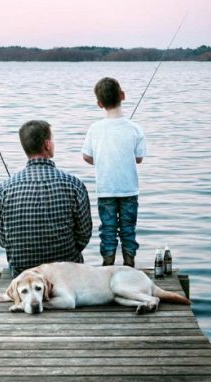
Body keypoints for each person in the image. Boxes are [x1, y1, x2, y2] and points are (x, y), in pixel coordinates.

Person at [0, 120, 92, 277]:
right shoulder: (73, 184)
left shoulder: (5, 188)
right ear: (47, 145)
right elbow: (84, 234)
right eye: (52, 139)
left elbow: (3, 239)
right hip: (66, 272)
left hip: (23, 273)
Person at [82, 77, 146, 267]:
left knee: (108, 230)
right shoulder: (135, 128)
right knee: (128, 229)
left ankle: (107, 267)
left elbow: (87, 157)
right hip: (129, 190)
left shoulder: (94, 128)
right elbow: (139, 158)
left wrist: (99, 159)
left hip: (105, 189)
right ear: (122, 96)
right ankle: (129, 266)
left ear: (99, 103)